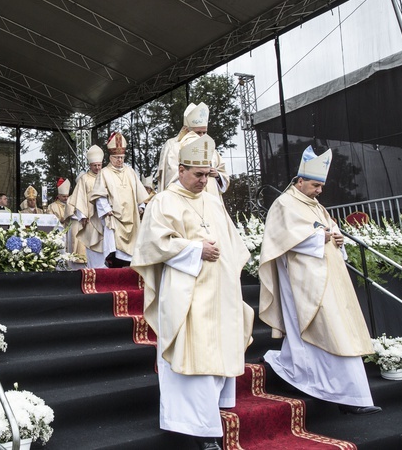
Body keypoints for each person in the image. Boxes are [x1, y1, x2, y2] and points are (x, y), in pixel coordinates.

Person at [131, 134, 253, 450]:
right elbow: (152, 245)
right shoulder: (163, 201)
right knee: (191, 356)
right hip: (186, 292)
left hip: (219, 293)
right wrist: (195, 248)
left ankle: (210, 413)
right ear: (181, 169)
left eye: (207, 174)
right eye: (198, 174)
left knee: (216, 350)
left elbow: (234, 246)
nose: (204, 180)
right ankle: (199, 429)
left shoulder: (213, 201)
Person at [258, 146, 381, 416]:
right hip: (303, 281)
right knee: (326, 329)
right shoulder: (284, 204)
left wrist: (337, 239)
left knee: (337, 329)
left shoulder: (317, 206)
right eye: (315, 185)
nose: (319, 190)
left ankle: (336, 388)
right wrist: (319, 238)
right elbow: (280, 239)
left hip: (329, 279)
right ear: (299, 181)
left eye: (321, 185)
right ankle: (342, 393)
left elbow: (330, 230)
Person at [89, 132, 149, 268]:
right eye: (116, 157)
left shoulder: (130, 171)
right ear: (110, 157)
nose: (120, 160)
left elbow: (139, 191)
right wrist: (106, 210)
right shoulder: (104, 173)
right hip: (114, 217)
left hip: (131, 216)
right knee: (115, 250)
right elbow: (99, 195)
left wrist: (141, 206)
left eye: (122, 157)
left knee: (133, 252)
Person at [154, 102, 229, 202]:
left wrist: (218, 175)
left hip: (211, 199)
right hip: (185, 200)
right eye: (198, 132)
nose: (201, 136)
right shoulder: (175, 146)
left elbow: (223, 174)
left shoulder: (209, 147)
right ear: (187, 130)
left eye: (204, 132)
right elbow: (172, 176)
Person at [67, 145, 104, 267]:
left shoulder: (106, 176)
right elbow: (79, 197)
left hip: (104, 219)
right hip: (91, 219)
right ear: (90, 165)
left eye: (99, 165)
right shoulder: (84, 179)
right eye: (95, 165)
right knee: (92, 245)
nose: (98, 168)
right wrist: (82, 216)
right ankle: (93, 270)